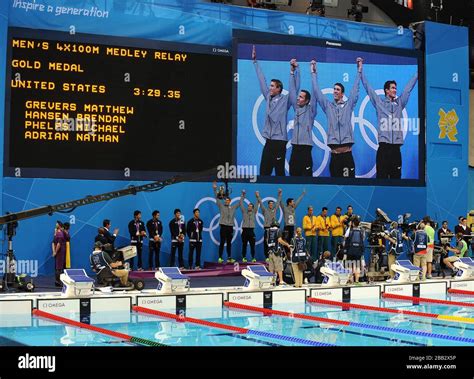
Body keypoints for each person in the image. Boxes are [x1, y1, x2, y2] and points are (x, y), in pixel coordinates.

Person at [360, 62, 418, 179]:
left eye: (396, 88)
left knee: (396, 181)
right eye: (392, 88)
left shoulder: (399, 103)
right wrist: (360, 72)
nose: (395, 90)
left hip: (396, 150)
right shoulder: (379, 103)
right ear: (386, 90)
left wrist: (417, 74)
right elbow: (369, 89)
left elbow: (407, 89)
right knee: (381, 181)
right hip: (383, 150)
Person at [311, 57, 362, 177]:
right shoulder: (328, 107)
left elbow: (355, 90)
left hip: (347, 156)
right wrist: (313, 73)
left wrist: (359, 71)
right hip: (334, 156)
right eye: (334, 89)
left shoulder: (348, 105)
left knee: (349, 187)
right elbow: (317, 92)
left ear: (342, 93)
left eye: (337, 89)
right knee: (334, 184)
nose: (334, 91)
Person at [252, 45, 293, 176]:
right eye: (270, 86)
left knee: (279, 172)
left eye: (272, 86)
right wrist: (255, 62)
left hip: (280, 142)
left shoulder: (286, 100)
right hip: (269, 142)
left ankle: (281, 195)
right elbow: (261, 81)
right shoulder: (268, 97)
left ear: (279, 89)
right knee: (264, 171)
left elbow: (294, 89)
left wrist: (293, 72)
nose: (269, 88)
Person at [288, 59, 317, 176]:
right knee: (292, 176)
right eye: (298, 96)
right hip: (295, 148)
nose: (298, 98)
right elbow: (292, 90)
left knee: (306, 179)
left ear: (307, 101)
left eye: (301, 97)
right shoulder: (296, 108)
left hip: (306, 150)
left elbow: (315, 93)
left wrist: (313, 73)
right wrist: (293, 71)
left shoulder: (311, 111)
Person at [212, 182, 244, 263]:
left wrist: (242, 195)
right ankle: (220, 257)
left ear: (230, 201)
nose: (226, 201)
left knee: (229, 243)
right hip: (223, 226)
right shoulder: (221, 206)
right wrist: (215, 189)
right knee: (222, 242)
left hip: (230, 227)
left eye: (228, 200)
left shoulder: (233, 207)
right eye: (225, 200)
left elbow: (240, 203)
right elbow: (216, 198)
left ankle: (229, 258)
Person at [256, 189, 282, 259]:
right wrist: (258, 196)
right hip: (267, 229)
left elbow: (278, 202)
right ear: (268, 205)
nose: (271, 205)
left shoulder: (274, 210)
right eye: (270, 204)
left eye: (272, 204)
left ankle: (274, 255)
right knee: (266, 243)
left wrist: (279, 195)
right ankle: (267, 257)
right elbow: (261, 203)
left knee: (274, 243)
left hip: (273, 229)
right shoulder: (265, 210)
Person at [266, 221, 289, 285]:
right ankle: (281, 280)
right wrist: (287, 244)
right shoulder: (278, 231)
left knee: (271, 267)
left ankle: (272, 281)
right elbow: (279, 240)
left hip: (270, 251)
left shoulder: (268, 231)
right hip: (276, 251)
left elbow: (267, 240)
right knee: (279, 266)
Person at [343, 217, 365, 283]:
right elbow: (363, 239)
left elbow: (345, 237)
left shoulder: (349, 230)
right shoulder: (362, 230)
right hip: (358, 250)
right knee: (357, 265)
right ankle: (357, 280)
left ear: (352, 223)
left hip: (350, 250)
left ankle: (350, 280)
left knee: (350, 265)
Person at [240, 192, 259, 263]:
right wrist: (243, 196)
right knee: (244, 245)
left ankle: (253, 257)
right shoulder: (244, 212)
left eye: (251, 206)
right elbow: (241, 204)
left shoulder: (254, 212)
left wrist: (257, 197)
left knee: (252, 246)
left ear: (253, 208)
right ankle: (244, 257)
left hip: (251, 231)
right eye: (248, 206)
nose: (249, 207)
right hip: (244, 231)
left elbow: (257, 204)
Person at [52, 221, 66, 287]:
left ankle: (57, 281)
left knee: (58, 267)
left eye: (56, 224)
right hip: (59, 252)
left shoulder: (58, 233)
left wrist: (55, 252)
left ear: (59, 225)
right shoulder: (58, 233)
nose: (55, 224)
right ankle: (58, 281)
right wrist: (55, 252)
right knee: (58, 268)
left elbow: (57, 243)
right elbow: (56, 243)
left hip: (59, 252)